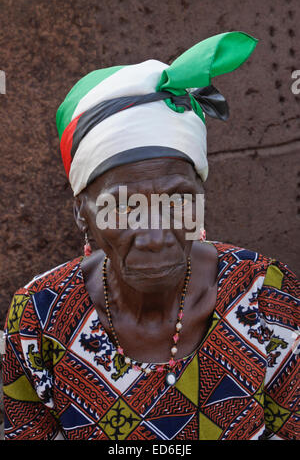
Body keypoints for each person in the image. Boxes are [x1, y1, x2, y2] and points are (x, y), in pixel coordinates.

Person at [2, 32, 299, 441]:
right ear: (82, 215)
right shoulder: (39, 316)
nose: (155, 234)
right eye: (122, 207)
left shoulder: (265, 293)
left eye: (177, 200)